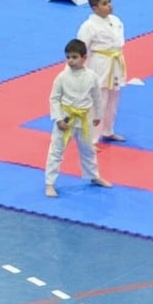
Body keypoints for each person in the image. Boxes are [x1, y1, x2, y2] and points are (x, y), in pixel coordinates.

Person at [45, 38, 112, 198]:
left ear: (84, 58)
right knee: (56, 151)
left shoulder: (92, 76)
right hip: (66, 118)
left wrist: (97, 115)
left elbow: (97, 97)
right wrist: (58, 118)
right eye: (68, 57)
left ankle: (94, 176)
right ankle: (49, 183)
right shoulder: (61, 77)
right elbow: (54, 98)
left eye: (74, 57)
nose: (70, 61)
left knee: (88, 149)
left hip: (84, 118)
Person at [76, 0, 129, 144]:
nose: (109, 6)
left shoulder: (116, 21)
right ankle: (91, 139)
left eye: (109, 1)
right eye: (104, 4)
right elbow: (81, 48)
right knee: (99, 102)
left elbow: (118, 43)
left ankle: (108, 130)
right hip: (99, 65)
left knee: (113, 99)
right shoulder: (88, 26)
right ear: (95, 8)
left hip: (115, 62)